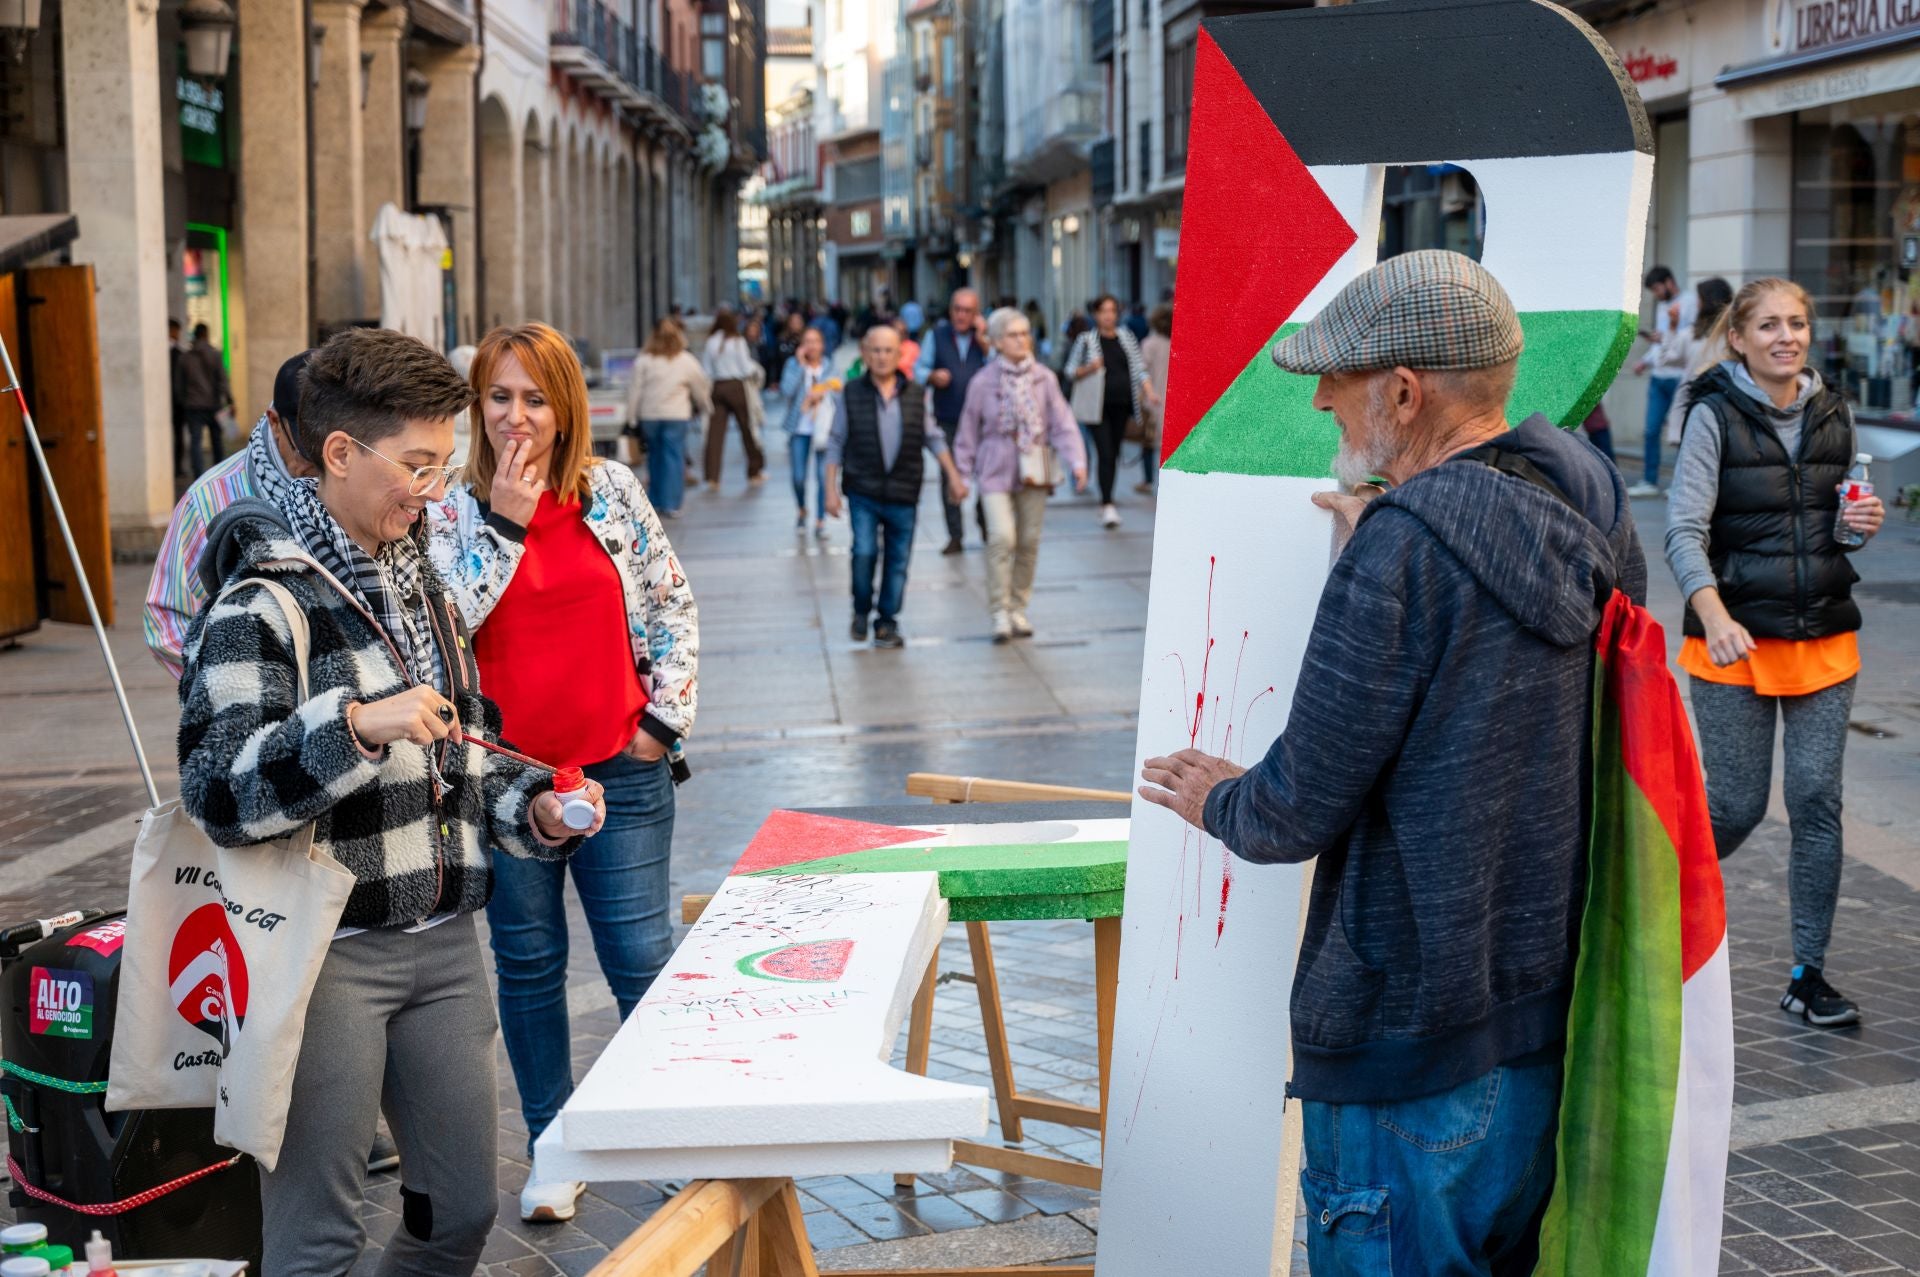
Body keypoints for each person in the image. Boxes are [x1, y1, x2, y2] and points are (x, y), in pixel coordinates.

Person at [1136, 250, 1645, 1274]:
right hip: (1538, 1013)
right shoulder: (1584, 498)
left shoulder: (1403, 548)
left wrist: (1215, 796)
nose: (1323, 400)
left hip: (1406, 1043)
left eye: (1339, 387)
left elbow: (1293, 808)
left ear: (1404, 393)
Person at [178, 327, 605, 1275]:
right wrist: (357, 725)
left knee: (457, 1210)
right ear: (340, 452)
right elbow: (217, 791)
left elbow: (464, 746)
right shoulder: (264, 600)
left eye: (444, 464)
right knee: (319, 1236)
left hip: (447, 943)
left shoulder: (424, 586)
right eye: (417, 462)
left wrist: (530, 807)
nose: (435, 487)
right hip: (322, 952)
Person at [427, 322, 699, 1223]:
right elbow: (443, 626)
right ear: (477, 406)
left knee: (641, 959)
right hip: (504, 785)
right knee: (530, 963)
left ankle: (675, 1141)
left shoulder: (612, 490)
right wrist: (503, 522)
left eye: (534, 398)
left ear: (565, 406)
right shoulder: (451, 509)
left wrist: (661, 724)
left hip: (620, 769)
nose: (516, 417)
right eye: (499, 397)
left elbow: (670, 604)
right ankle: (553, 1145)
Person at [1664, 277, 1886, 1028]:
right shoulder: (1712, 416)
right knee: (1734, 804)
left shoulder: (1834, 411)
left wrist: (1860, 524)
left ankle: (1808, 974)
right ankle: (1645, 910)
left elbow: (1839, 527)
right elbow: (1683, 531)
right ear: (1739, 337)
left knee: (1818, 802)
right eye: (1768, 325)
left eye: (1797, 322)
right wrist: (1713, 614)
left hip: (1825, 638)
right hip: (1736, 644)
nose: (1785, 336)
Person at [145, 351, 320, 678]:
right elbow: (166, 622)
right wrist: (242, 680)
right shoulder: (209, 499)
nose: (321, 467)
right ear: (274, 422)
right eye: (306, 451)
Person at [824, 323, 967, 649]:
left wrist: (954, 476)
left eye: (888, 350)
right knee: (864, 551)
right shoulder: (851, 392)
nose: (882, 356)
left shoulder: (916, 393)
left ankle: (887, 621)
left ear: (900, 354)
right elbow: (835, 442)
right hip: (863, 489)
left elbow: (933, 437)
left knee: (898, 560)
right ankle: (861, 610)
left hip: (904, 490)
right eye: (875, 350)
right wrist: (830, 490)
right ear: (864, 353)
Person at [951, 307, 1088, 642]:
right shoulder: (982, 382)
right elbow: (968, 430)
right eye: (1012, 334)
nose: (1021, 340)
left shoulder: (1044, 378)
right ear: (996, 342)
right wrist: (961, 475)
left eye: (1025, 333)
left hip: (1034, 466)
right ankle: (998, 611)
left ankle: (1017, 607)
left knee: (1028, 541)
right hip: (994, 466)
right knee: (1001, 538)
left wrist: (1077, 462)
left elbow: (1062, 423)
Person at [914, 288, 993, 554]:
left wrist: (984, 341)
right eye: (957, 309)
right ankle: (955, 535)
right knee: (951, 475)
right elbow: (918, 369)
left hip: (984, 421)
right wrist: (932, 375)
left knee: (987, 474)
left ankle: (986, 525)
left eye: (968, 311)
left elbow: (1000, 367)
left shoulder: (986, 338)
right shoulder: (936, 336)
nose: (961, 315)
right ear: (951, 311)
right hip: (947, 417)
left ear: (977, 314)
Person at [1064, 295, 1153, 529]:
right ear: (1096, 314)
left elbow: (1139, 369)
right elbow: (1070, 371)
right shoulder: (1086, 340)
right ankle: (1107, 504)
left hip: (1122, 405)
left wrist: (1150, 391)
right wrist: (1089, 368)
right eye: (1104, 311)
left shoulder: (1126, 338)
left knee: (1113, 453)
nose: (1108, 315)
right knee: (1104, 452)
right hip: (1096, 408)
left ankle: (1107, 501)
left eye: (1112, 310)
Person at [626, 318, 713, 520]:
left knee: (654, 457)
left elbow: (634, 390)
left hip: (650, 416)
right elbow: (700, 384)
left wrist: (631, 417)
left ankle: (655, 500)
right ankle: (672, 502)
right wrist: (705, 404)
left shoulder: (644, 360)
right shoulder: (685, 360)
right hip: (676, 415)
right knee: (673, 458)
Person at [1629, 265, 1698, 497]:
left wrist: (1667, 334)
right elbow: (1661, 343)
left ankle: (1681, 483)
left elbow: (1689, 338)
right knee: (1651, 430)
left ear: (1669, 282)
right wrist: (1645, 361)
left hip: (1679, 376)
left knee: (1680, 432)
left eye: (1658, 288)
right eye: (1654, 290)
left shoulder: (1689, 301)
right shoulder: (1661, 307)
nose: (1657, 294)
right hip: (1659, 376)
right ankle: (1649, 480)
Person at [1663, 276, 1735, 445]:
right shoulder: (1737, 336)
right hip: (1728, 411)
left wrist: (1672, 328)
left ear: (1707, 302)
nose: (1697, 304)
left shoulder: (1691, 335)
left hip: (1693, 409)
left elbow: (1667, 358)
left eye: (1699, 299)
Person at [780, 325, 837, 537]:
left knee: (823, 477)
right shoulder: (793, 365)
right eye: (808, 342)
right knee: (798, 477)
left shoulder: (830, 366)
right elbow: (786, 391)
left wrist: (822, 392)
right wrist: (802, 367)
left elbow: (838, 391)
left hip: (824, 428)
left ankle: (821, 521)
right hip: (800, 428)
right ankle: (802, 509)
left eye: (816, 341)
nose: (812, 346)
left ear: (822, 345)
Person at [701, 309, 765, 488]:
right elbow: (746, 367)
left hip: (718, 387)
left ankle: (713, 477)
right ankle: (754, 470)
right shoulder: (738, 341)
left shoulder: (711, 342)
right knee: (747, 428)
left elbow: (706, 369)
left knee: (715, 434)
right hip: (736, 386)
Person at [179, 322, 233, 476]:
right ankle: (219, 474)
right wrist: (230, 400)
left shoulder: (185, 358)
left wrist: (184, 402)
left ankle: (198, 475)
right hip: (213, 404)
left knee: (195, 441)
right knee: (217, 441)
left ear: (195, 335)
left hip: (193, 405)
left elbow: (179, 385)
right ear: (206, 334)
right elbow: (223, 380)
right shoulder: (215, 355)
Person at [1137, 304, 1172, 493]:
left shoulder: (1149, 343)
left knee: (1149, 442)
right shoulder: (1178, 342)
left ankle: (1148, 480)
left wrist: (1148, 392)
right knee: (1168, 444)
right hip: (1172, 401)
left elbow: (1142, 371)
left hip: (1154, 399)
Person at [168, 318, 186, 482]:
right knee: (176, 436)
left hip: (177, 403)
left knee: (179, 436)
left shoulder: (181, 353)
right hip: (174, 402)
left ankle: (177, 467)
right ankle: (175, 467)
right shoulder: (178, 354)